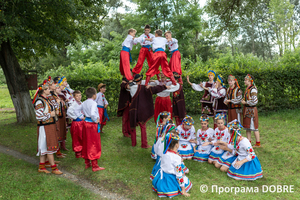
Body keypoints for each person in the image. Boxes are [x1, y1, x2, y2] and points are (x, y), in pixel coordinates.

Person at [127, 74, 179, 148]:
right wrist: (164, 86)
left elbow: (128, 86)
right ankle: (144, 144)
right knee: (143, 126)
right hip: (141, 109)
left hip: (133, 109)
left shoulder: (131, 87)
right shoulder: (144, 88)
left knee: (133, 126)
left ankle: (133, 143)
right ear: (141, 80)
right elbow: (155, 89)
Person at [34, 80, 63, 175]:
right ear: (43, 90)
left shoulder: (46, 99)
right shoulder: (39, 101)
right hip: (44, 127)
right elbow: (38, 116)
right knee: (49, 147)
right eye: (47, 88)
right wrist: (50, 114)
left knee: (44, 147)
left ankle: (41, 167)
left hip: (49, 125)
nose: (49, 89)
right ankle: (54, 168)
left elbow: (55, 108)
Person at [152, 132, 192, 198]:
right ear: (177, 145)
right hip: (171, 179)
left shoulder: (164, 153)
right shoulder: (176, 158)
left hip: (162, 177)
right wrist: (183, 190)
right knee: (185, 179)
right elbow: (179, 175)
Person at [81, 87, 105, 172]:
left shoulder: (83, 103)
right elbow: (92, 114)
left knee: (86, 142)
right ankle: (95, 165)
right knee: (94, 143)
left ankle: (87, 162)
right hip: (92, 125)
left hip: (86, 124)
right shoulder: (94, 103)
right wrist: (96, 120)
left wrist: (83, 117)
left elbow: (81, 112)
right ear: (94, 95)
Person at [241, 74, 261, 147]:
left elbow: (255, 101)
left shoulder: (253, 89)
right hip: (247, 110)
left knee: (254, 127)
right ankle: (248, 143)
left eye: (245, 80)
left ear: (249, 81)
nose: (244, 81)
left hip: (251, 110)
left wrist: (245, 102)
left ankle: (258, 143)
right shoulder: (248, 88)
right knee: (247, 127)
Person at [67, 90, 85, 158]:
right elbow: (69, 112)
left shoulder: (81, 103)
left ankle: (82, 150)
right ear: (74, 97)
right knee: (77, 137)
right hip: (77, 123)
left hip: (82, 122)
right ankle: (78, 153)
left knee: (82, 136)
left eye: (80, 95)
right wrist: (75, 117)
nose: (79, 97)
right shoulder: (74, 104)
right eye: (77, 96)